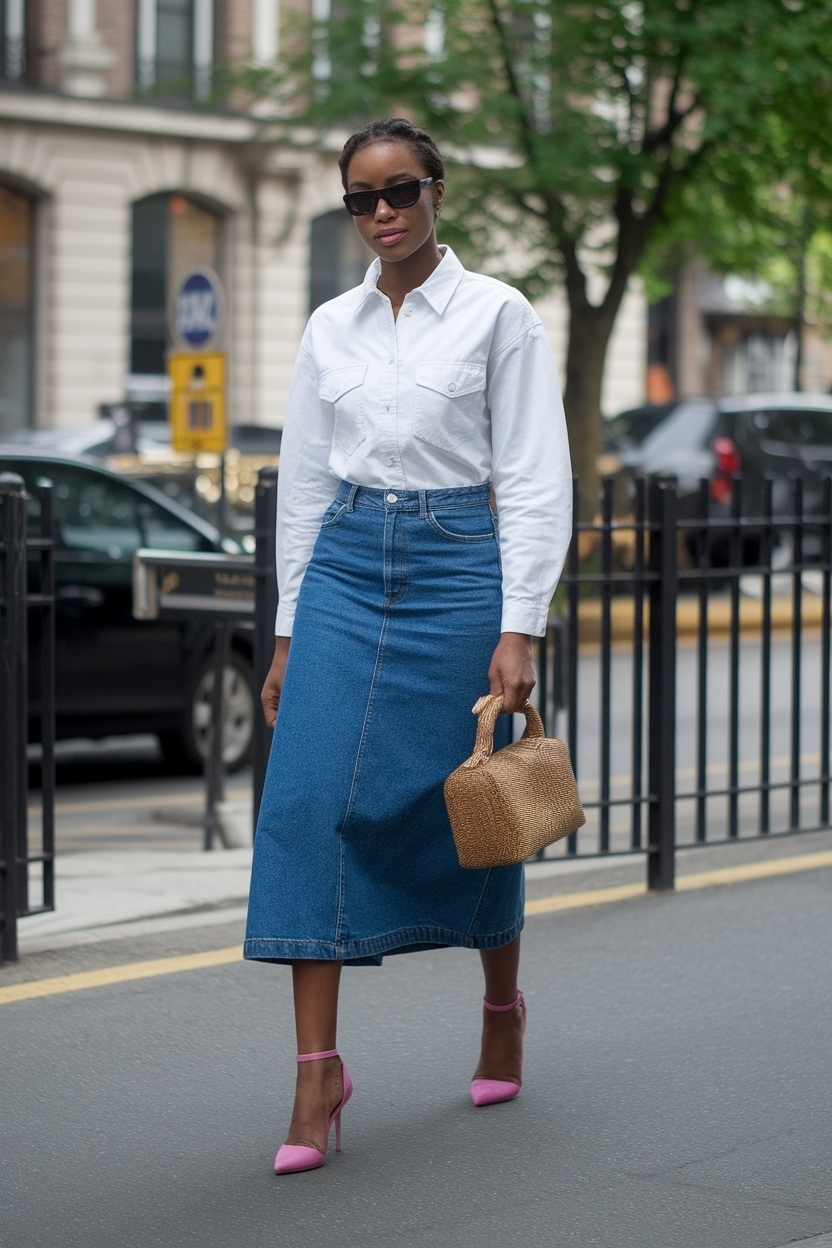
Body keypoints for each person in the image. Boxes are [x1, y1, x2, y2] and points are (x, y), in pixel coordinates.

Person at [244, 117, 572, 1175]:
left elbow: (530, 477)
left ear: (437, 192)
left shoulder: (497, 315)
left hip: (457, 565)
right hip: (345, 566)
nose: (379, 213)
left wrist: (518, 624)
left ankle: (501, 1007)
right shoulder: (328, 328)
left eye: (398, 191)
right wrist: (288, 630)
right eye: (359, 199)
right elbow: (301, 488)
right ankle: (316, 1074)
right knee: (303, 805)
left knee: (474, 801)